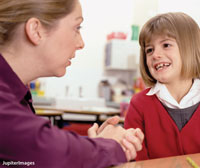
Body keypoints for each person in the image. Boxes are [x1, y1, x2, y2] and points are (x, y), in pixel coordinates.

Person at [0, 0, 144, 167]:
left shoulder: (16, 95)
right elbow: (50, 152)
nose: (81, 44)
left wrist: (97, 144)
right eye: (77, 28)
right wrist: (110, 145)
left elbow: (24, 156)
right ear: (36, 30)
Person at [124, 12, 200, 160]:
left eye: (166, 45)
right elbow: (134, 162)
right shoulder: (139, 105)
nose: (155, 55)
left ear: (190, 49)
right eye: (149, 50)